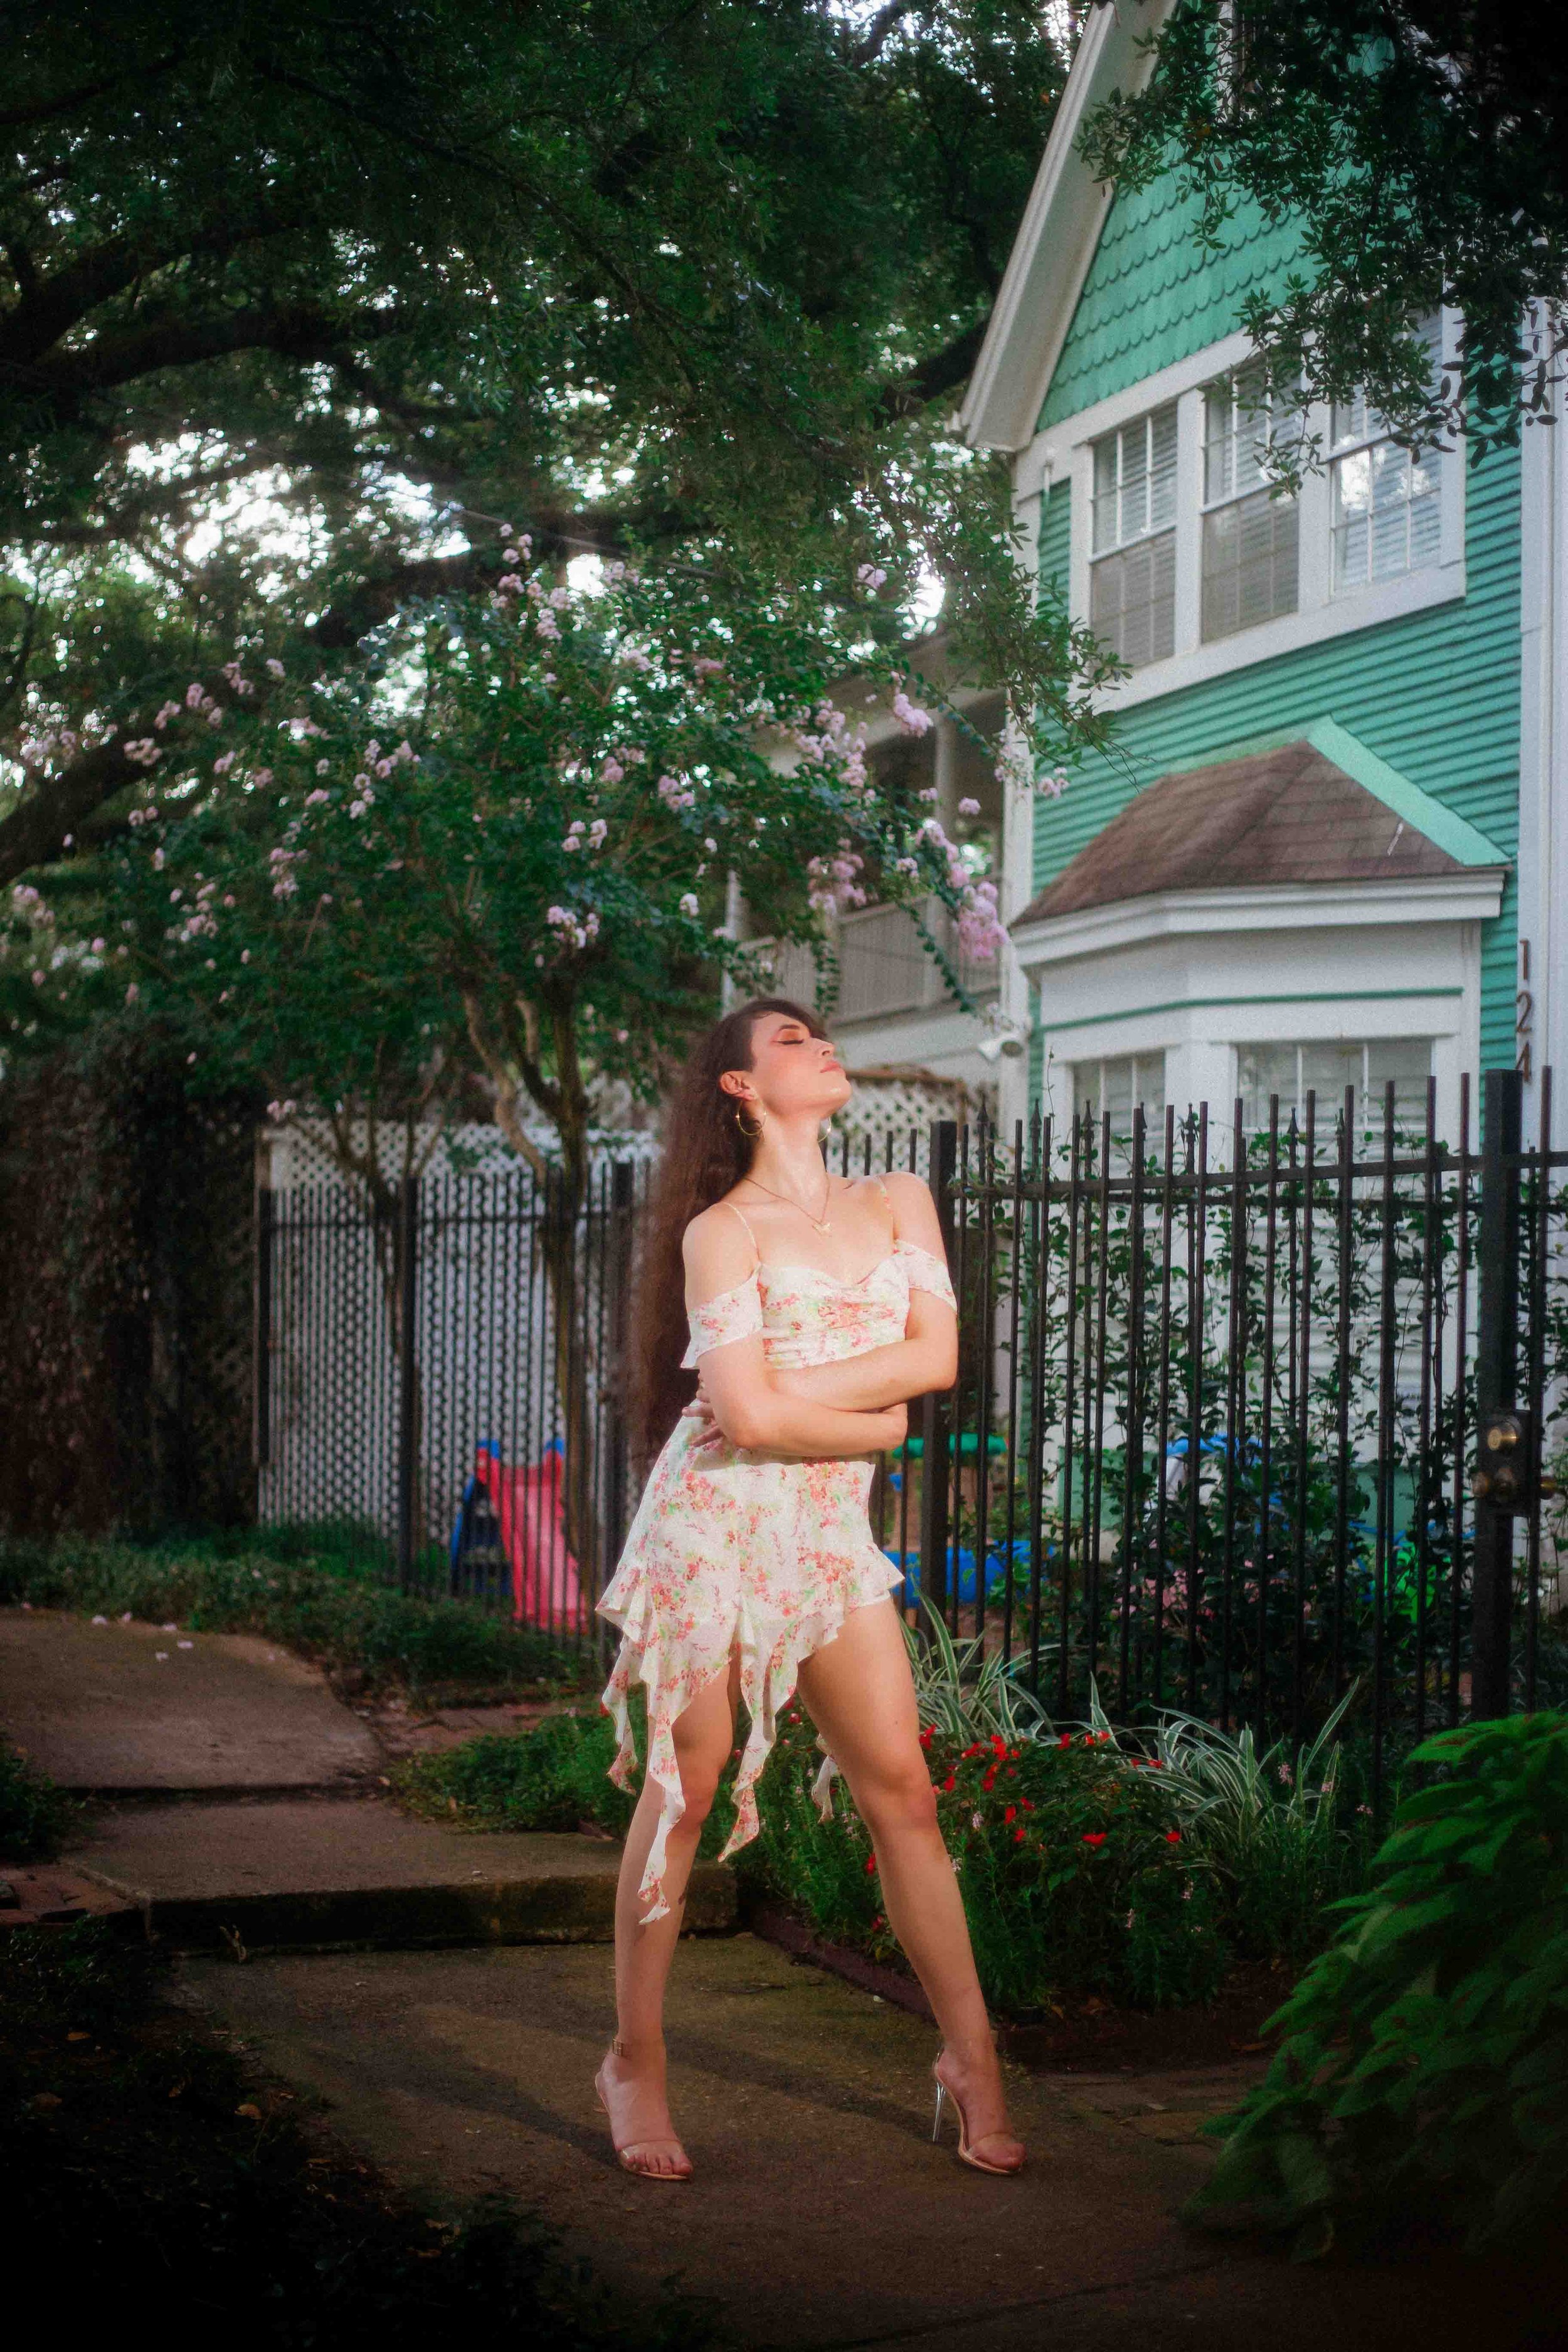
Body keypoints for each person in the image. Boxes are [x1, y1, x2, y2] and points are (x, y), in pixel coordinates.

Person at [593, 997, 1024, 2182]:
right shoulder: (720, 1231)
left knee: (905, 1792)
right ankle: (635, 2059)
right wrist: (870, 1417)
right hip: (711, 1526)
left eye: (820, 1032)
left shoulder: (899, 1198)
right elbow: (742, 1419)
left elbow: (937, 1359)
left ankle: (973, 2058)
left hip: (826, 1533)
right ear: (740, 1086)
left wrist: (795, 1393)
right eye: (790, 1040)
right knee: (685, 1789)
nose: (822, 1045)